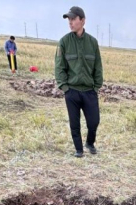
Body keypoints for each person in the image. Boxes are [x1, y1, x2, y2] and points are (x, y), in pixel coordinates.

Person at [55, 6, 103, 158]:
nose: (70, 22)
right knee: (74, 123)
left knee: (94, 122)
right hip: (72, 91)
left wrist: (96, 87)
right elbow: (59, 67)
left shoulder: (92, 43)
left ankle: (90, 142)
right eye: (68, 19)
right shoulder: (64, 42)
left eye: (73, 19)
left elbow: (98, 67)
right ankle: (79, 149)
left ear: (82, 20)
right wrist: (65, 87)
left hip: (89, 91)